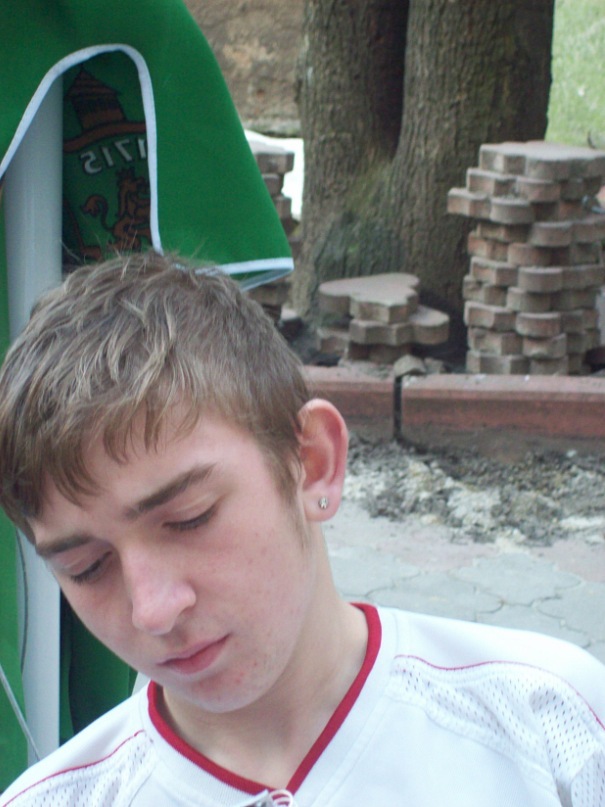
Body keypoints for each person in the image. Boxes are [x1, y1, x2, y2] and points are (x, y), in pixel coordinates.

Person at [0, 251, 604, 807]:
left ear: (313, 463)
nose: (153, 611)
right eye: (87, 568)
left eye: (189, 519)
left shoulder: (553, 726)